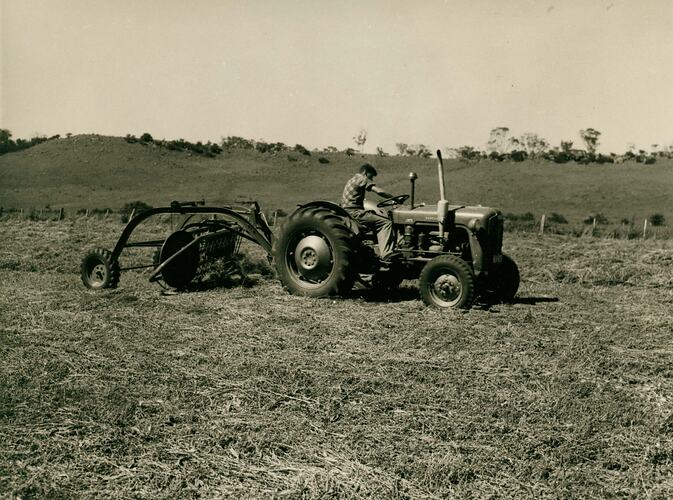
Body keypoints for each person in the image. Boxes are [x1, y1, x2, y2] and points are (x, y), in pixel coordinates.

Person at [341, 163, 397, 261]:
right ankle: (386, 253)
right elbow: (379, 191)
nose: (372, 180)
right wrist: (394, 198)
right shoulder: (362, 179)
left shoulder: (352, 179)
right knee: (385, 223)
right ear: (365, 173)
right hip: (354, 212)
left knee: (375, 216)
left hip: (347, 212)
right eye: (371, 176)